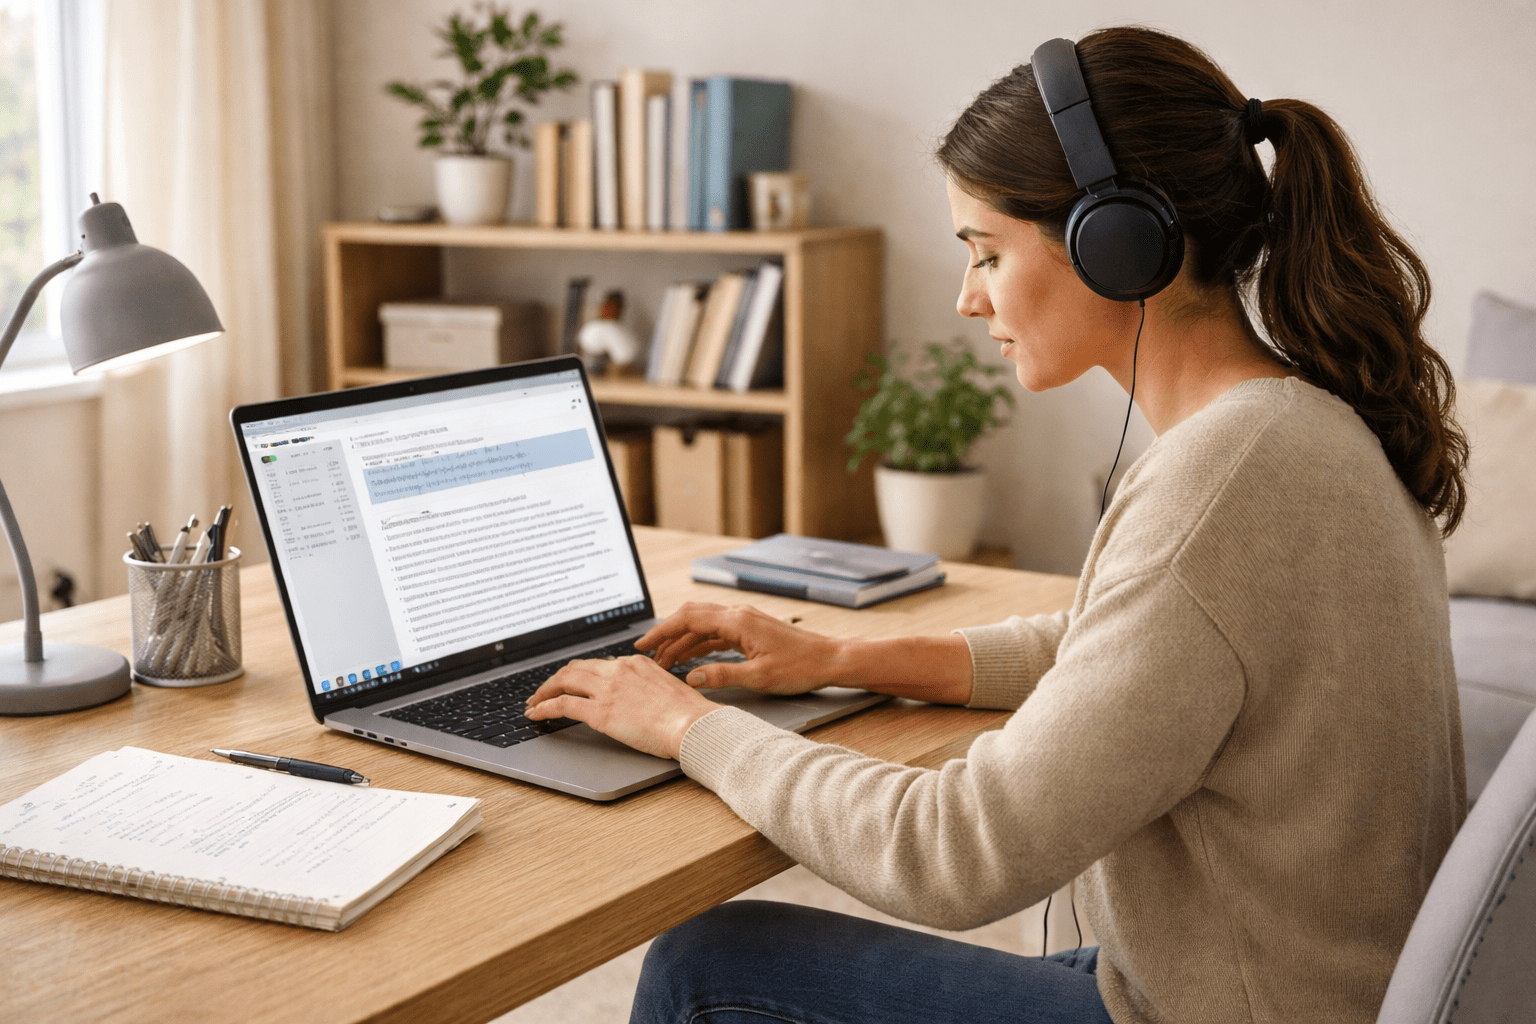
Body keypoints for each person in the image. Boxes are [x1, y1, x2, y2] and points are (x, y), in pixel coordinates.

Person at [525, 25, 1469, 1024]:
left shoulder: (1224, 482)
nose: (967, 298)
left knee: (706, 964)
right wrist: (842, 657)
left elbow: (954, 852)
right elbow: (1118, 646)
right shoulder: (1295, 426)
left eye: (985, 252)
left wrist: (687, 726)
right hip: (1273, 990)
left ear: (1117, 242)